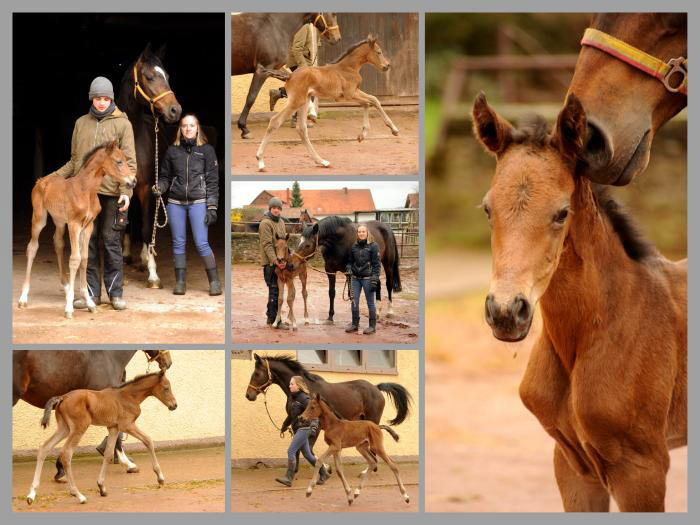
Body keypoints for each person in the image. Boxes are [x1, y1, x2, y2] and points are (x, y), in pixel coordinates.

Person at [53, 76, 136, 311]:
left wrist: (125, 191)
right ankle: (89, 293)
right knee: (84, 244)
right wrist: (54, 178)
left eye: (106, 98)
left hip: (110, 193)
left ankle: (115, 293)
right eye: (98, 98)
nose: (101, 102)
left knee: (111, 242)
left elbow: (128, 161)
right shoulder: (81, 123)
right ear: (92, 98)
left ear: (111, 99)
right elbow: (74, 160)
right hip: (81, 194)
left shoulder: (122, 124)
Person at [152, 114, 221, 296]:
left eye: (191, 125)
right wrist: (161, 187)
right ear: (180, 129)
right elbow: (166, 176)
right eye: (184, 126)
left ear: (198, 128)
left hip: (198, 202)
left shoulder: (207, 151)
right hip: (175, 203)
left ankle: (214, 281)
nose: (188, 129)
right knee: (178, 243)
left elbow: (213, 181)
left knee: (201, 243)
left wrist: (212, 207)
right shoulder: (172, 151)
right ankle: (180, 282)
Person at [276, 376, 330, 487]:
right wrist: (284, 425)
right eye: (290, 384)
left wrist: (314, 426)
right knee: (308, 455)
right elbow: (291, 415)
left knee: (291, 451)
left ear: (298, 385)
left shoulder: (305, 399)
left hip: (305, 428)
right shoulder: (292, 398)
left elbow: (314, 414)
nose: (290, 385)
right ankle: (324, 473)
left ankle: (289, 478)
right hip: (297, 428)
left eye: (292, 384)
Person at [269, 21, 320, 127]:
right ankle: (298, 118)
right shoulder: (304, 25)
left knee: (302, 90)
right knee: (305, 90)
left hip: (302, 61)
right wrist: (304, 68)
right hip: (299, 62)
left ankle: (279, 94)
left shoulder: (308, 25)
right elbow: (297, 48)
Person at [345, 224, 380, 334]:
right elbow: (350, 262)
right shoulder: (354, 246)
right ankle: (355, 324)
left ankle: (372, 326)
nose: (361, 233)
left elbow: (376, 265)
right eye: (359, 232)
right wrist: (349, 268)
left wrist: (375, 278)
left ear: (367, 233)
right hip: (355, 279)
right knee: (354, 302)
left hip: (367, 279)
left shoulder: (373, 246)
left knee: (370, 303)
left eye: (363, 231)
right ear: (357, 233)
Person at [259, 197, 288, 329]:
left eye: (278, 208)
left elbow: (283, 243)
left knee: (278, 290)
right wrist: (275, 261)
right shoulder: (265, 223)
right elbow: (267, 245)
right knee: (274, 290)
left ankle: (271, 316)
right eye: (274, 208)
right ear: (270, 208)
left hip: (281, 262)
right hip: (270, 264)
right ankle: (274, 319)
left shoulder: (281, 222)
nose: (276, 210)